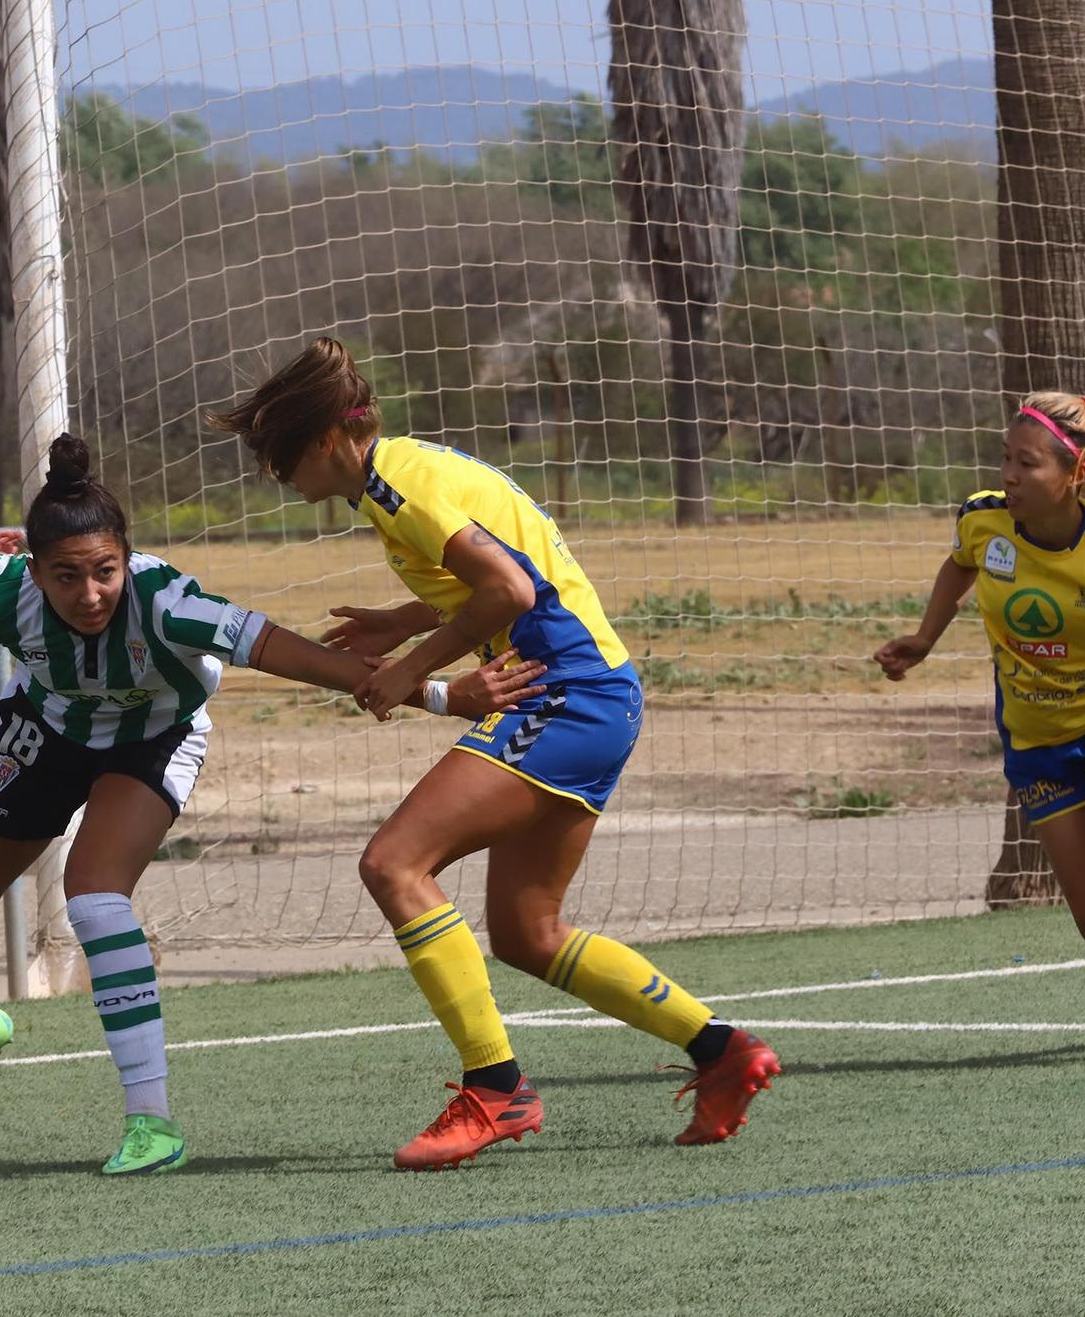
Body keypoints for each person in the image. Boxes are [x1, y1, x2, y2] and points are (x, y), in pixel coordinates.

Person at [0, 433, 548, 1175]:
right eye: (66, 577)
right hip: (45, 734)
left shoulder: (171, 603)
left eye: (105, 571)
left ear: (127, 560)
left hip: (153, 739)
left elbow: (295, 655)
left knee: (96, 900)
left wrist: (436, 693)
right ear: (37, 575)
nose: (89, 594)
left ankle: (152, 1124)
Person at [212, 336, 781, 1170]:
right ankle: (721, 1050)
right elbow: (497, 572)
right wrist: (404, 622)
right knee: (527, 932)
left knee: (394, 865)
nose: (276, 475)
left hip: (568, 693)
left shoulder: (398, 487)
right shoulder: (400, 474)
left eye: (278, 456)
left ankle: (496, 1089)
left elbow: (511, 592)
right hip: (597, 693)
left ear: (327, 439)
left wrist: (412, 666)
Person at [877, 390, 1085, 969]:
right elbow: (961, 561)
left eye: (1028, 463)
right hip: (1036, 742)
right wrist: (925, 638)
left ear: (1075, 473)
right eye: (1006, 457)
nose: (1009, 475)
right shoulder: (983, 519)